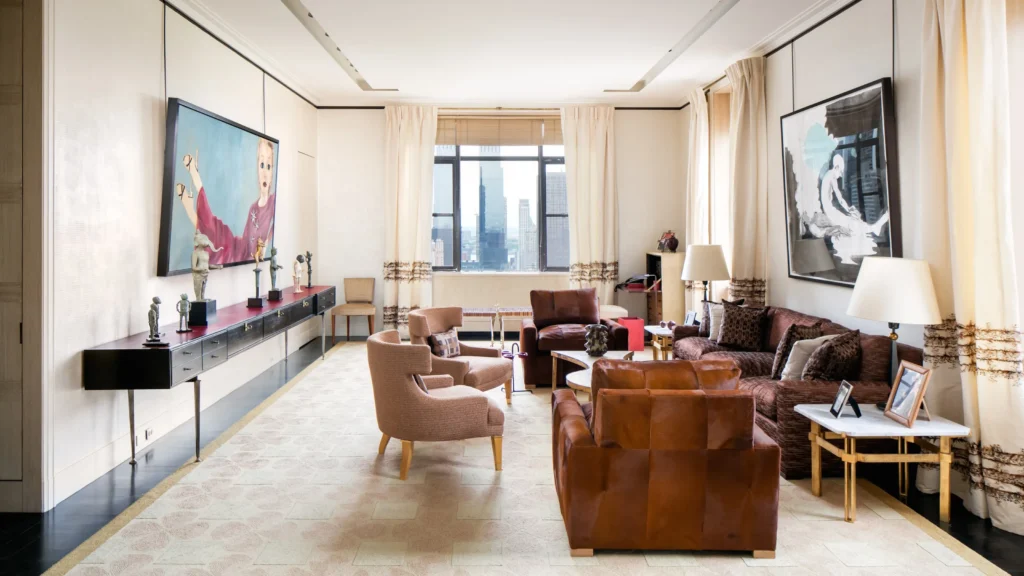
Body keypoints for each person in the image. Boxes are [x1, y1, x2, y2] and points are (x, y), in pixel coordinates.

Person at [177, 138, 276, 265]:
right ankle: (197, 181)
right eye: (261, 165)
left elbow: (275, 225)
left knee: (214, 242)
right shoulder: (253, 208)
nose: (265, 173)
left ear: (272, 171)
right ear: (257, 168)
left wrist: (267, 242)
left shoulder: (274, 201)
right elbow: (246, 243)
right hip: (239, 250)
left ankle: (190, 207)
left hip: (244, 257)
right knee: (216, 233)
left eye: (268, 166)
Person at [816, 154, 890, 264]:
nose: (840, 176)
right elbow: (840, 198)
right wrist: (849, 209)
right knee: (853, 223)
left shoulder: (828, 175)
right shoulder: (831, 175)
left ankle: (874, 227)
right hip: (830, 212)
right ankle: (874, 227)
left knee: (853, 223)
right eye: (840, 172)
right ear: (836, 167)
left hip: (830, 211)